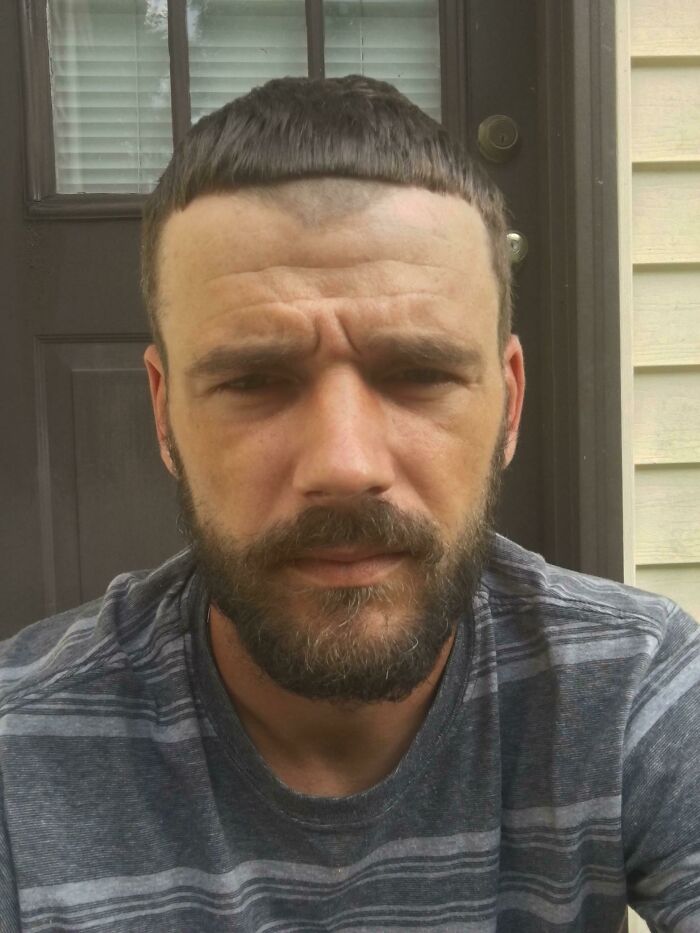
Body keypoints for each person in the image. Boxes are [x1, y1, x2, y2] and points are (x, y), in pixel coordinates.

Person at [0, 75, 698, 933]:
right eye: (255, 380)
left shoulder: (635, 691)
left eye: (418, 374)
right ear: (164, 412)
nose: (343, 463)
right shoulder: (19, 751)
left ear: (508, 403)